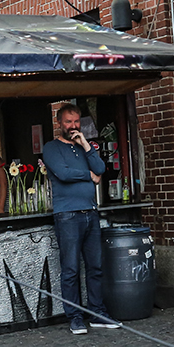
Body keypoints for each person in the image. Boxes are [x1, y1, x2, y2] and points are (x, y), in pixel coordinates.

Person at [41, 104, 119, 335]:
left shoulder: (84, 148)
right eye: (68, 122)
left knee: (95, 267)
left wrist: (85, 143)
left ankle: (97, 313)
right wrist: (88, 176)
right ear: (59, 123)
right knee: (71, 269)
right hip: (67, 215)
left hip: (90, 213)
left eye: (76, 122)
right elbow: (63, 174)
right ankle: (75, 316)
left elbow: (100, 168)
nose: (73, 126)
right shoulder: (51, 148)